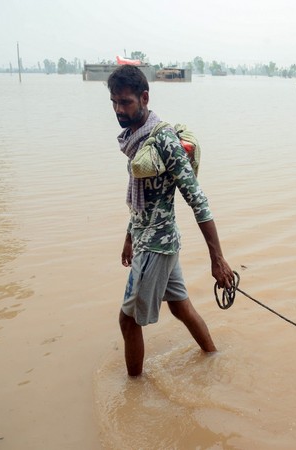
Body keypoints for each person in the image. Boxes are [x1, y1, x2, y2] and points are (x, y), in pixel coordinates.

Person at [107, 65, 234, 376]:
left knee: (128, 320)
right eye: (114, 102)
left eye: (126, 102)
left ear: (144, 98)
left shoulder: (164, 141)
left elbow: (197, 200)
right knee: (180, 307)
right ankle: (215, 360)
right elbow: (143, 200)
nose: (119, 110)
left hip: (157, 246)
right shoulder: (136, 138)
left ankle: (132, 391)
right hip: (151, 240)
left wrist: (217, 260)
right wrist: (128, 236)